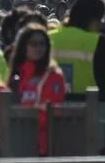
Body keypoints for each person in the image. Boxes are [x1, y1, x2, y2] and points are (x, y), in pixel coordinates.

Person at [8, 24, 67, 155]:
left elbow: (54, 113)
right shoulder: (17, 74)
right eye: (33, 44)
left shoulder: (53, 75)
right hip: (16, 142)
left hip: (43, 145)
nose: (39, 48)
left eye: (42, 44)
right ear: (24, 47)